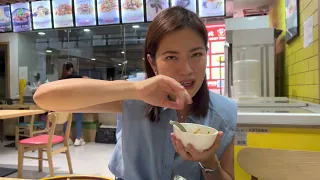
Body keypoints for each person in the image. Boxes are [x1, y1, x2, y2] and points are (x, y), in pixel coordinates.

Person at [33, 7, 237, 180]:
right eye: (171, 57)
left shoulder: (225, 113)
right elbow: (43, 97)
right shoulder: (135, 96)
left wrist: (209, 162)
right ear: (152, 62)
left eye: (196, 54)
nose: (186, 69)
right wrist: (134, 90)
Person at [59, 62, 86, 146]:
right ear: (71, 69)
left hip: (65, 103)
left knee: (66, 121)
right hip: (75, 102)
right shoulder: (74, 77)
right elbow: (85, 79)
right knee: (78, 120)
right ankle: (78, 139)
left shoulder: (61, 79)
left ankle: (67, 139)